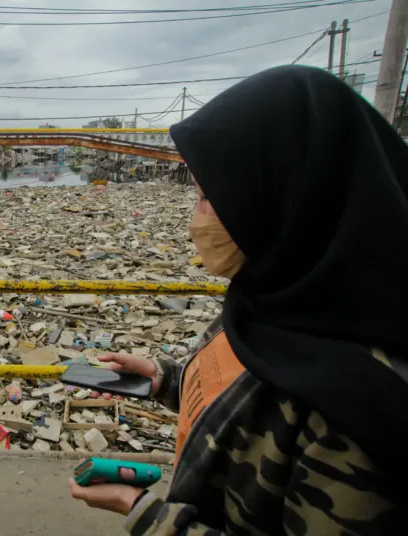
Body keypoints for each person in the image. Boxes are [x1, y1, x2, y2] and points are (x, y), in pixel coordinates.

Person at [68, 65, 408, 535]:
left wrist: (146, 515)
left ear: (283, 197)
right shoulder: (274, 296)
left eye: (208, 198)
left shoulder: (362, 410)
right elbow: (244, 398)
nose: (197, 219)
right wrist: (165, 379)